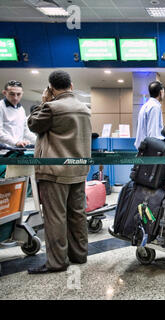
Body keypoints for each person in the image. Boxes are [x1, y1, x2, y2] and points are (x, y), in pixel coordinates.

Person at [27, 70, 92, 274]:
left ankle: (56, 262)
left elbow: (33, 124)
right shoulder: (84, 108)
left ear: (51, 88)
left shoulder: (50, 107)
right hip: (78, 170)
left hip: (55, 172)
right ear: (71, 86)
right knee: (77, 214)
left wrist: (44, 101)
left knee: (55, 217)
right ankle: (79, 255)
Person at [0, 80, 36, 147]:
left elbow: (26, 132)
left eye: (18, 94)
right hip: (3, 151)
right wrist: (16, 142)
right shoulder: (1, 107)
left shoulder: (21, 109)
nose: (15, 98)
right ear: (4, 93)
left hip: (17, 150)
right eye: (12, 94)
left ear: (22, 93)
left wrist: (39, 142)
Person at [134, 80, 165, 149]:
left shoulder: (146, 105)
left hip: (143, 148)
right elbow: (153, 134)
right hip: (149, 151)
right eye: (163, 91)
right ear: (161, 92)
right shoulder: (155, 107)